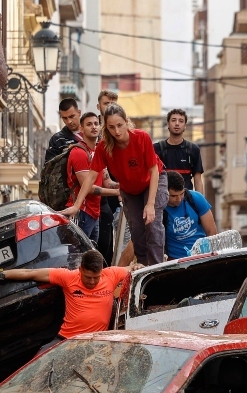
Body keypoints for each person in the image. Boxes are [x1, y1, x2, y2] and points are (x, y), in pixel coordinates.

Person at [0, 250, 138, 339]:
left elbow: (136, 270)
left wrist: (139, 266)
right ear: (80, 270)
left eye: (95, 278)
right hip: (66, 340)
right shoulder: (68, 277)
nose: (92, 282)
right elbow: (30, 273)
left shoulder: (110, 274)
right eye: (88, 277)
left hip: (95, 342)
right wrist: (0, 275)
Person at [91, 103, 169, 267]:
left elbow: (154, 171)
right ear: (106, 127)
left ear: (126, 122)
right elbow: (91, 176)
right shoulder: (104, 147)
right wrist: (76, 206)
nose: (117, 131)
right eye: (111, 127)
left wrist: (150, 204)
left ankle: (156, 267)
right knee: (137, 230)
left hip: (153, 181)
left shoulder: (141, 137)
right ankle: (142, 266)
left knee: (152, 225)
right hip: (129, 189)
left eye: (120, 125)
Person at [61, 112, 119, 242]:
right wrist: (117, 192)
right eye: (89, 124)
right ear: (81, 129)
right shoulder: (79, 152)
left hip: (94, 213)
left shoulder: (98, 152)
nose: (93, 127)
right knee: (78, 255)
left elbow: (108, 182)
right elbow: (89, 188)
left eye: (96, 124)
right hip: (81, 211)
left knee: (91, 256)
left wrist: (124, 185)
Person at [163, 171, 217, 259]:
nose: (179, 199)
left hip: (202, 256)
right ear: (164, 193)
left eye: (182, 194)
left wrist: (211, 256)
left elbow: (211, 231)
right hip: (176, 260)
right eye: (174, 196)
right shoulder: (159, 210)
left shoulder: (196, 198)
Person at [96, 89, 120, 263]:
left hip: (116, 196)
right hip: (95, 196)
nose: (110, 107)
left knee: (114, 244)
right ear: (99, 106)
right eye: (106, 103)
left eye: (113, 103)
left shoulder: (121, 130)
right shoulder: (92, 128)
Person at [154, 108, 204, 191]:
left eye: (181, 121)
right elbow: (151, 177)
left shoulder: (193, 149)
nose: (177, 124)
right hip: (163, 200)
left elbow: (198, 180)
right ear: (168, 124)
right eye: (173, 120)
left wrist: (200, 202)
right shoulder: (156, 148)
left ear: (185, 126)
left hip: (186, 199)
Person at [46, 98, 84, 165]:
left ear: (79, 113)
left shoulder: (92, 132)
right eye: (65, 118)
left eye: (71, 116)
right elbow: (49, 168)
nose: (69, 121)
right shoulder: (56, 140)